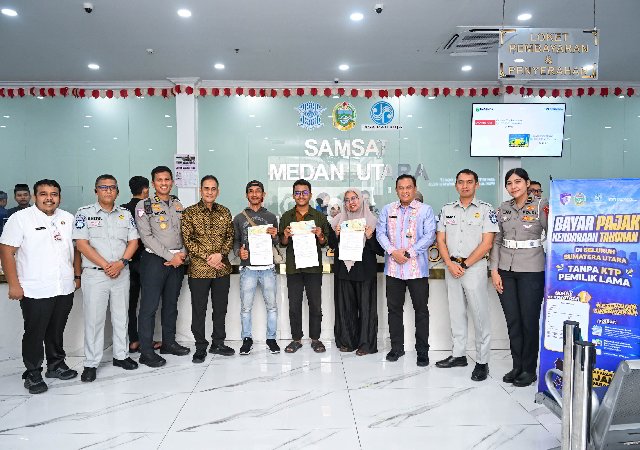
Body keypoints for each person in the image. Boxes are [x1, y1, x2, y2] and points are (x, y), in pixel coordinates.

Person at [0, 180, 81, 394]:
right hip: (34, 288)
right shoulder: (20, 219)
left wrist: (77, 276)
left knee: (56, 329)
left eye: (54, 194)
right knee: (34, 332)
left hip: (63, 286)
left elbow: (76, 249)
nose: (49, 198)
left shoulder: (67, 218)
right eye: (43, 194)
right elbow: (6, 251)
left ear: (59, 197)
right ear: (35, 197)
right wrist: (13, 284)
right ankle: (33, 372)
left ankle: (56, 365)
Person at [73, 174, 140, 382]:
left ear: (117, 192)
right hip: (95, 274)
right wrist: (106, 265)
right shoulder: (84, 213)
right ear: (96, 191)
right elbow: (81, 244)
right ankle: (91, 363)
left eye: (112, 187)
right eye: (103, 187)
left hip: (121, 272)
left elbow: (133, 241)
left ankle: (121, 356)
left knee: (121, 316)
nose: (108, 190)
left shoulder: (125, 214)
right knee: (94, 319)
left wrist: (121, 262)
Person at [435, 169, 499, 381]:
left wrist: (464, 264)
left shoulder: (486, 210)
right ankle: (459, 354)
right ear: (456, 185)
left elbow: (487, 243)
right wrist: (450, 264)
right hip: (451, 267)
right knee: (456, 312)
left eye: (469, 182)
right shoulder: (447, 210)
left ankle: (482, 361)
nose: (465, 186)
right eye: (461, 182)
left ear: (476, 185)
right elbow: (440, 239)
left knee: (480, 315)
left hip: (474, 268)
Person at [490, 168, 548, 387]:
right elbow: (497, 240)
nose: (513, 186)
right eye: (509, 183)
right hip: (506, 270)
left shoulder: (541, 205)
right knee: (513, 320)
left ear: (527, 183)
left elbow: (553, 235)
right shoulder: (503, 208)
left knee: (529, 321)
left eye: (518, 182)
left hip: (532, 269)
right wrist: (494, 270)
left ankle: (529, 369)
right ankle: (517, 366)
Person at [376, 174, 436, 366]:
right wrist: (393, 252)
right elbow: (380, 233)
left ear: (415, 188)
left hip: (417, 270)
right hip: (393, 270)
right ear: (396, 190)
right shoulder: (388, 209)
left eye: (408, 187)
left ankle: (422, 351)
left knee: (421, 311)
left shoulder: (425, 210)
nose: (405, 191)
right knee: (394, 310)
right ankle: (397, 348)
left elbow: (429, 235)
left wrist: (409, 253)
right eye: (401, 188)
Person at [135, 166, 190, 368]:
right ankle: (146, 352)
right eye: (160, 180)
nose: (164, 183)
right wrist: (170, 256)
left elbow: (185, 232)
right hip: (154, 261)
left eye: (167, 179)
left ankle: (169, 343)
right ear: (153, 183)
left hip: (177, 261)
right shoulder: (144, 205)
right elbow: (146, 236)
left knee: (170, 305)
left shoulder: (178, 203)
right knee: (149, 307)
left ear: (172, 182)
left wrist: (182, 253)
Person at [181, 175, 235, 364]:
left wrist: (220, 254)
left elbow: (230, 237)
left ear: (217, 191)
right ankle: (200, 346)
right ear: (200, 190)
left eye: (213, 189)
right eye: (206, 188)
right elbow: (188, 240)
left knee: (220, 309)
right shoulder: (190, 213)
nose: (210, 192)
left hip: (222, 269)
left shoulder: (225, 212)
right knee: (199, 310)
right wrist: (208, 257)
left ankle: (218, 343)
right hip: (199, 270)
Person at [278, 179, 332, 354]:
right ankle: (296, 339)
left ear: (310, 194)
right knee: (294, 305)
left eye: (304, 192)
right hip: (293, 267)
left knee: (315, 305)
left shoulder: (319, 217)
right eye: (298, 193)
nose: (301, 196)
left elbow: (324, 243)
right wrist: (286, 235)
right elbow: (282, 243)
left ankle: (316, 339)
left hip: (313, 267)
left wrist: (320, 235)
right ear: (293, 195)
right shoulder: (287, 216)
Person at [328, 188, 382, 355]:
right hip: (344, 269)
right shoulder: (337, 220)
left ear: (361, 200)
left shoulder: (373, 221)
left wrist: (370, 236)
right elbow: (331, 245)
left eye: (354, 198)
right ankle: (347, 341)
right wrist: (336, 235)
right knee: (345, 308)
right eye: (347, 199)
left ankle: (366, 344)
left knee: (366, 308)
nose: (351, 202)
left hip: (365, 270)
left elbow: (380, 250)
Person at [233, 180, 280, 355]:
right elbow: (236, 241)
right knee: (246, 308)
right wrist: (239, 252)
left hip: (268, 267)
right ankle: (247, 339)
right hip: (248, 269)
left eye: (258, 191)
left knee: (272, 306)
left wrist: (275, 235)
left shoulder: (271, 217)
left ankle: (271, 339)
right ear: (247, 195)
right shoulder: (239, 218)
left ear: (263, 195)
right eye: (251, 191)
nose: (254, 194)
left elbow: (276, 242)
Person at [120, 176, 150, 353]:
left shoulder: (122, 209)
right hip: (147, 261)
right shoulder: (147, 207)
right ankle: (146, 340)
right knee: (148, 304)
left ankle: (133, 340)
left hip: (127, 262)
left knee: (130, 304)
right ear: (145, 189)